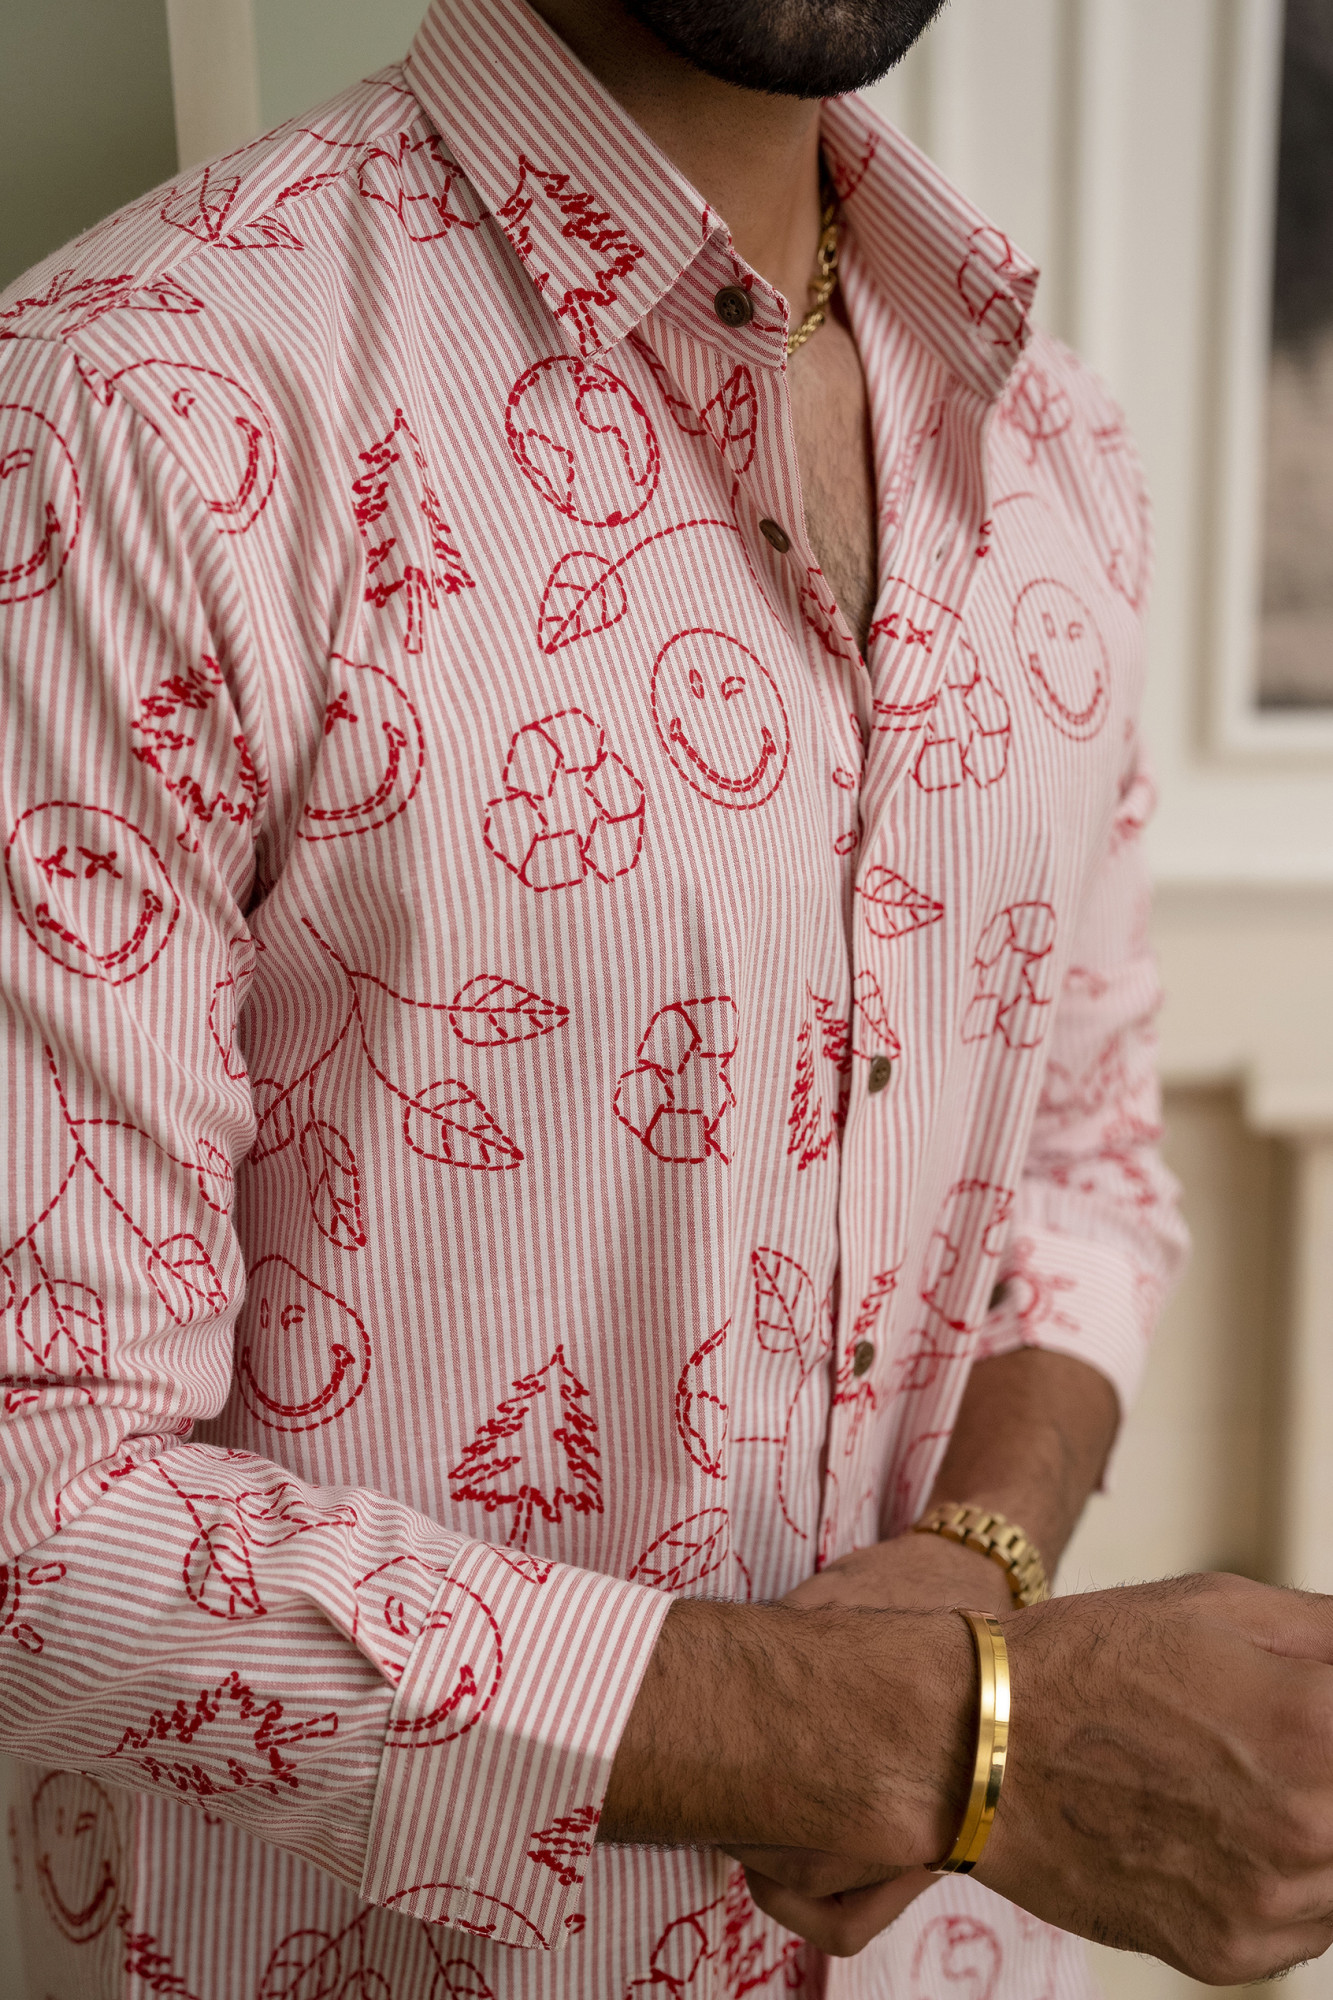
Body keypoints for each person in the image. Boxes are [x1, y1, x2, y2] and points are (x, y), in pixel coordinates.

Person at [2, 0, 1332, 1994]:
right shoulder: (130, 418)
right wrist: (946, 1740)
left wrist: (976, 1564)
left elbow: (1083, 1166)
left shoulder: (1065, 455)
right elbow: (35, 1500)